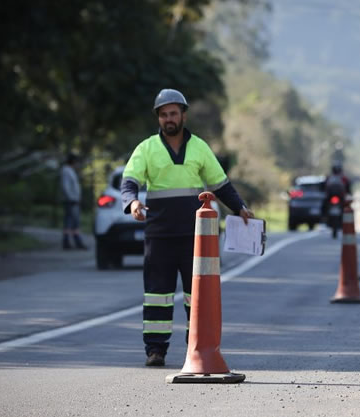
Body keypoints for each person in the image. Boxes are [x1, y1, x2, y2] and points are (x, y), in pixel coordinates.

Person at [120, 88, 253, 367]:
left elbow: (220, 184)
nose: (169, 119)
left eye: (173, 113)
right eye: (163, 114)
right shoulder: (146, 148)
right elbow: (129, 180)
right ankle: (155, 350)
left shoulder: (200, 148)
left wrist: (239, 208)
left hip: (195, 237)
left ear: (183, 114)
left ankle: (196, 347)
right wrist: (132, 203)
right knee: (157, 294)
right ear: (159, 118)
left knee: (197, 296)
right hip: (159, 235)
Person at [60, 153, 87, 250]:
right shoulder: (66, 171)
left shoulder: (70, 171)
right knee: (72, 221)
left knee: (72, 221)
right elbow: (66, 187)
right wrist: (71, 198)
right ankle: (71, 242)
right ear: (73, 162)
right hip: (71, 201)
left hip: (73, 200)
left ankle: (73, 241)